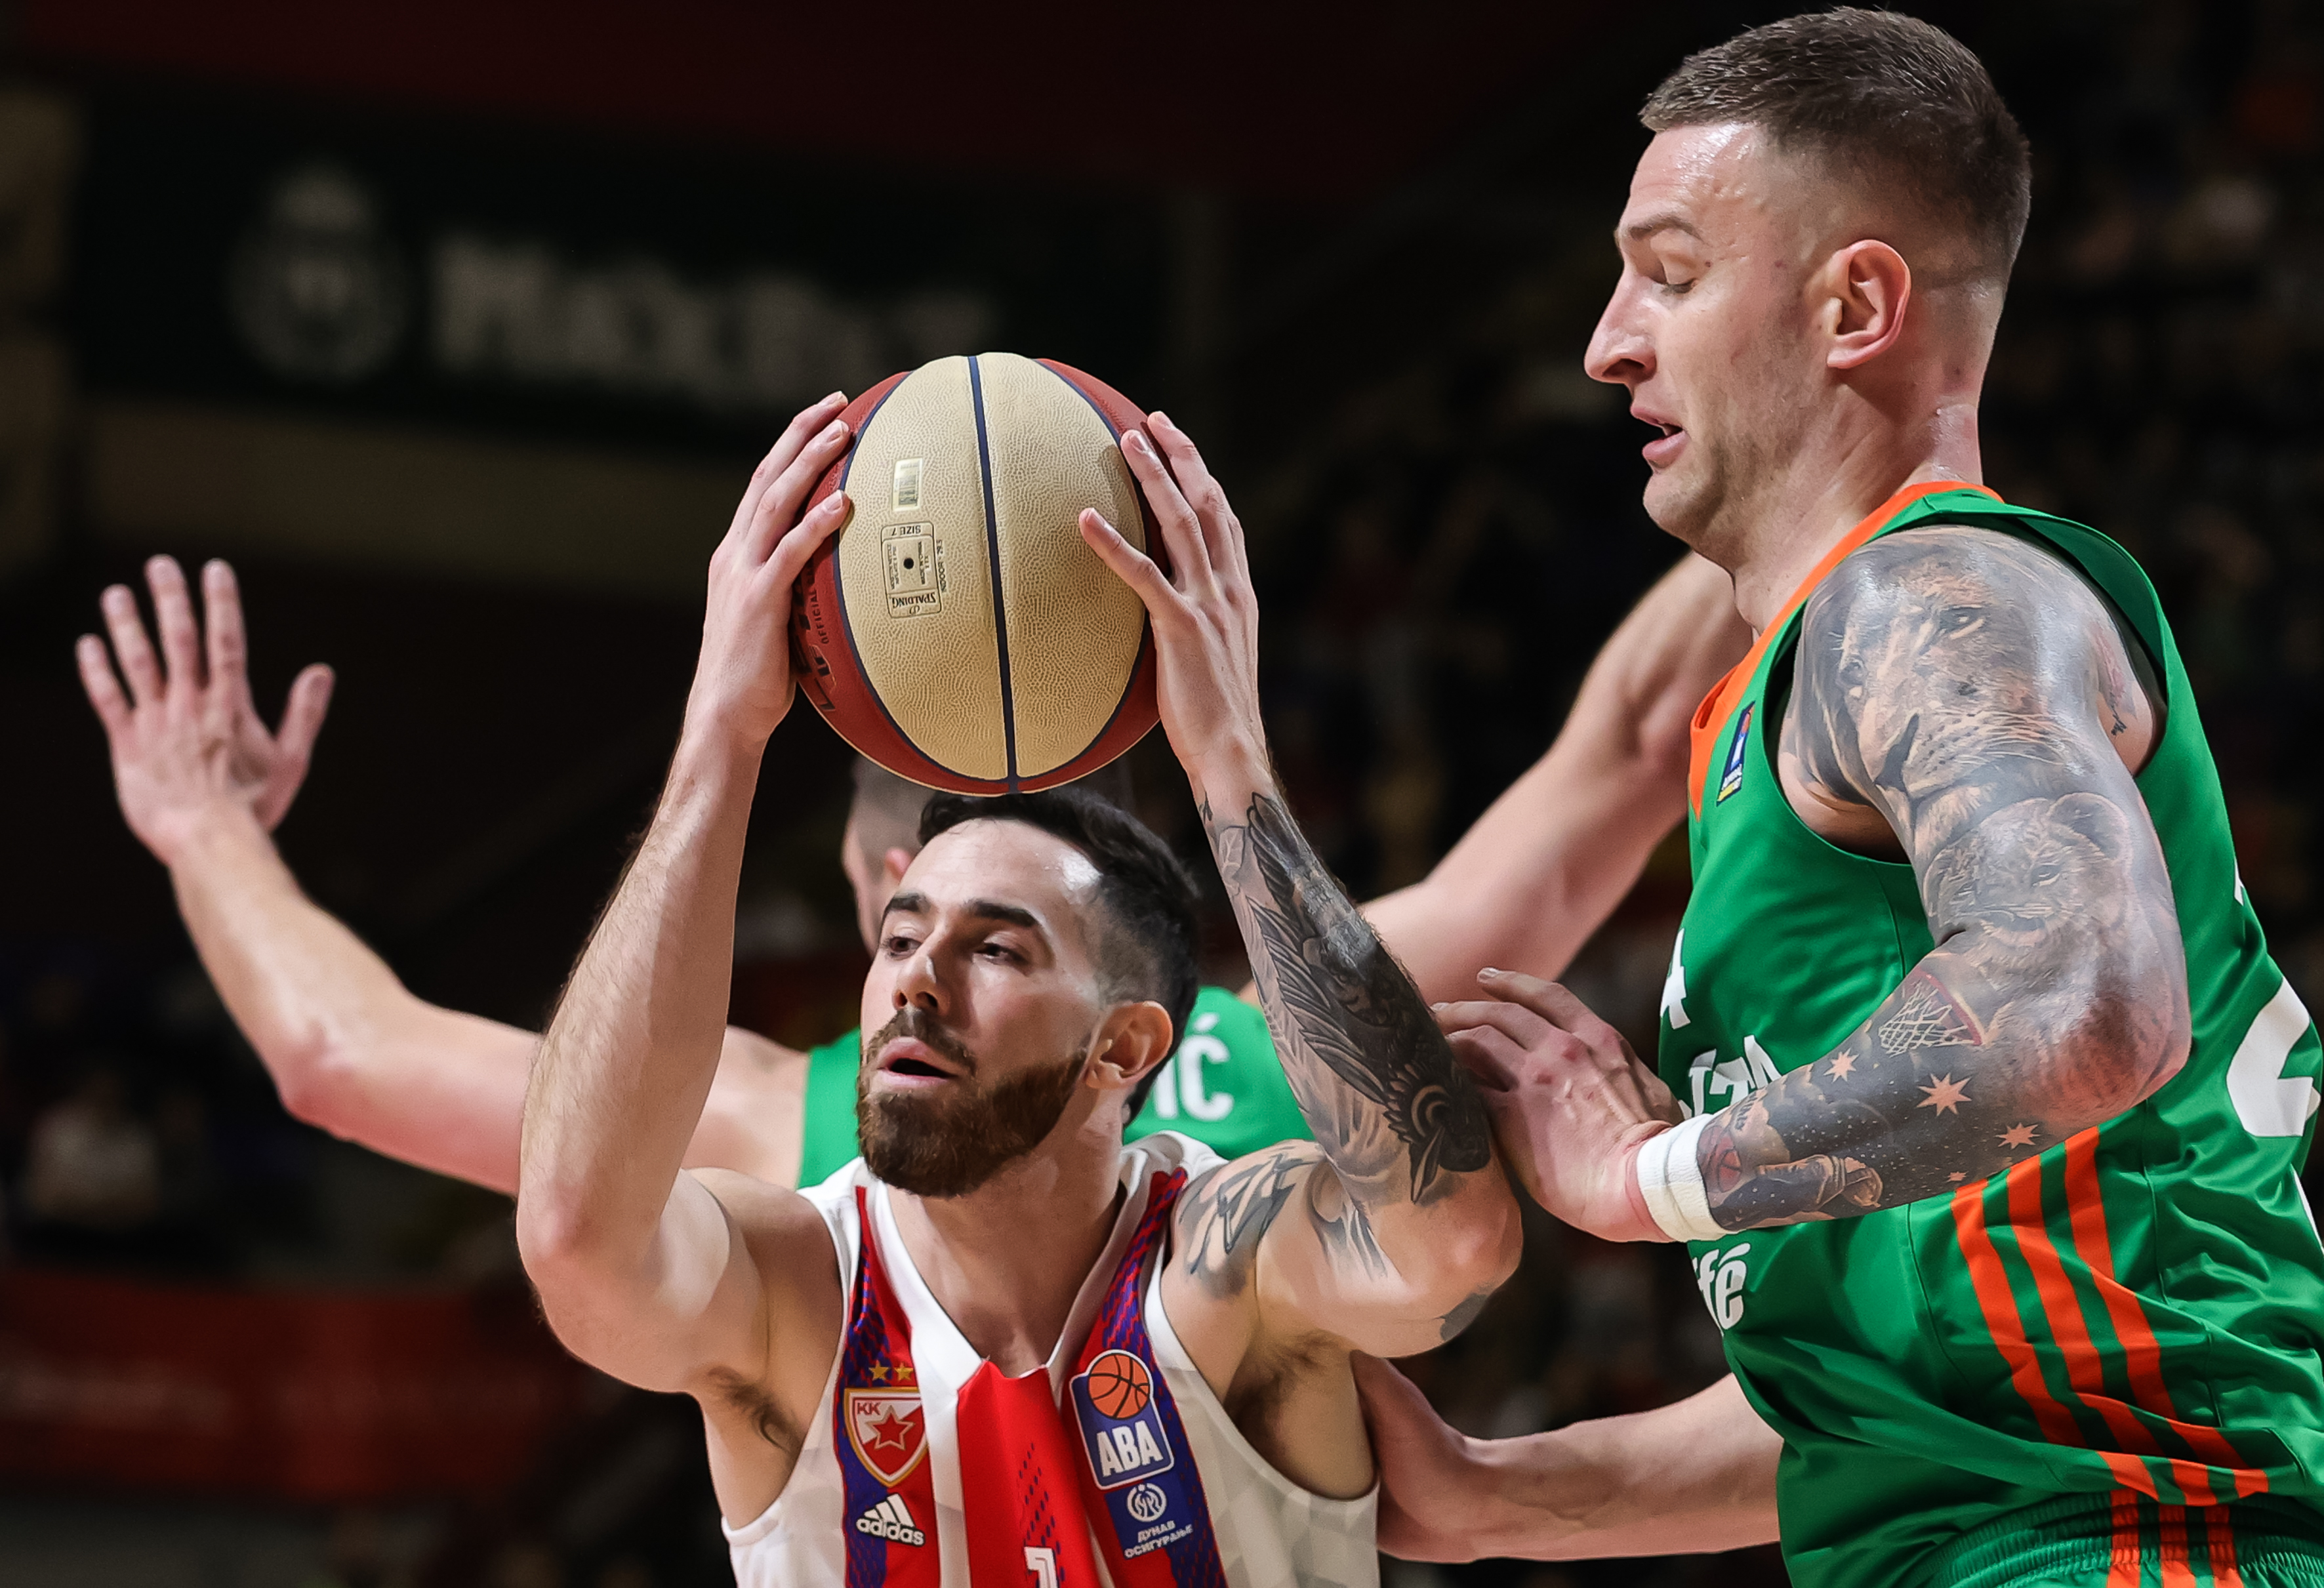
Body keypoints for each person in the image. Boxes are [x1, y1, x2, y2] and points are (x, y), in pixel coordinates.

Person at [1359, 11, 2324, 1588]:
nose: (1606, 341)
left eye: (1665, 273)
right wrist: (1483, 1496)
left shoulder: (1929, 593)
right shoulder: (1805, 683)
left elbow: (2080, 998)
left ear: (1853, 304)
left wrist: (1658, 1174)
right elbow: (1909, 1399)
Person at [514, 396, 1520, 1583]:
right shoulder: (800, 1291)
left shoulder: (1228, 1267)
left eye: (997, 948)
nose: (917, 981)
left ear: (1124, 1046)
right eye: (899, 938)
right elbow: (575, 1237)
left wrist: (1231, 762)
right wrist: (721, 737)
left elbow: (1452, 1241)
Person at [76, 536, 1743, 1196]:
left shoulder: (758, 1124)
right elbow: (1615, 755)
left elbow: (341, 1056)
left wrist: (207, 828)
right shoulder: (1290, 1047)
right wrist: (1816, 482)